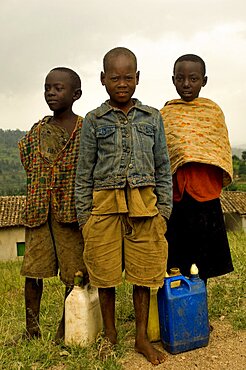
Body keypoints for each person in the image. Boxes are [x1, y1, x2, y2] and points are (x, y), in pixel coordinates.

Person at [75, 47, 172, 365]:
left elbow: (162, 168)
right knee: (105, 275)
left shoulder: (152, 117)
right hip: (104, 207)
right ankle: (111, 334)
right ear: (103, 79)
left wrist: (164, 213)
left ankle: (141, 337)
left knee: (144, 275)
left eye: (128, 77)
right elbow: (84, 172)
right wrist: (85, 218)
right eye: (114, 77)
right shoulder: (93, 121)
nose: (122, 83)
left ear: (138, 78)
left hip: (145, 207)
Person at [18, 67, 87, 341]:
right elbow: (26, 158)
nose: (51, 93)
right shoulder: (37, 131)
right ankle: (31, 329)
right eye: (48, 88)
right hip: (38, 212)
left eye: (58, 88)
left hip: (70, 215)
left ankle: (66, 327)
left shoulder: (85, 130)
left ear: (76, 94)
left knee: (75, 274)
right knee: (33, 273)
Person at [160, 54, 234, 284]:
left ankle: (199, 313)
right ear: (173, 80)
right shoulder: (166, 114)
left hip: (205, 194)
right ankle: (176, 314)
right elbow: (162, 155)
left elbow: (219, 150)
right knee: (175, 259)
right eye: (180, 78)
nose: (186, 84)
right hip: (175, 197)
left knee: (204, 261)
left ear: (204, 80)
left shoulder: (212, 112)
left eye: (193, 78)